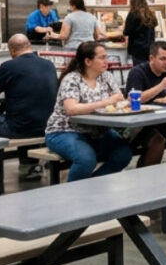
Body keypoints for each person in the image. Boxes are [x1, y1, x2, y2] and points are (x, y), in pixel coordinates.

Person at [0, 34, 58, 190]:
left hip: (20, 128)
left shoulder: (8, 66)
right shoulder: (48, 65)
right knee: (25, 112)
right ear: (29, 46)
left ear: (12, 51)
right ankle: (29, 166)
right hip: (47, 126)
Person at [43, 41, 134, 181]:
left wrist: (125, 102)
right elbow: (71, 109)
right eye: (102, 58)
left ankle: (94, 186)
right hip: (65, 131)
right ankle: (73, 192)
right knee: (86, 160)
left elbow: (118, 99)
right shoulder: (72, 79)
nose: (106, 61)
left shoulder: (106, 77)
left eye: (106, 57)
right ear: (88, 61)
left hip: (97, 130)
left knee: (123, 154)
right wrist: (107, 102)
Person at [123, 0, 157, 66]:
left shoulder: (133, 14)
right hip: (150, 47)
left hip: (137, 48)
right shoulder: (150, 13)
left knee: (139, 69)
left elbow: (126, 31)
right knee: (148, 68)